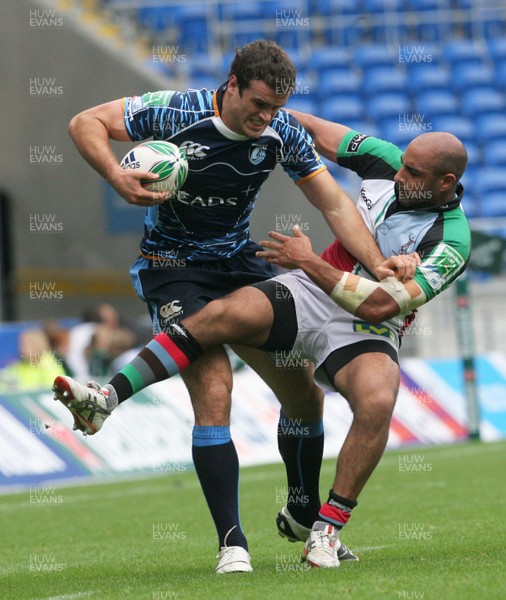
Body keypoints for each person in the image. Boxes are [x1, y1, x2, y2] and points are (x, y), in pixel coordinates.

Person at [53, 124, 468, 569]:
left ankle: (325, 530)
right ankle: (106, 397)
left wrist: (308, 260)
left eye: (414, 172)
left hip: (367, 327)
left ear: (445, 183)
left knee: (378, 400)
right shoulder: (385, 160)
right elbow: (307, 127)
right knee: (219, 316)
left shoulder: (452, 240)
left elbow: (379, 306)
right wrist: (267, 118)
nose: (400, 173)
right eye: (403, 163)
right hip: (309, 295)